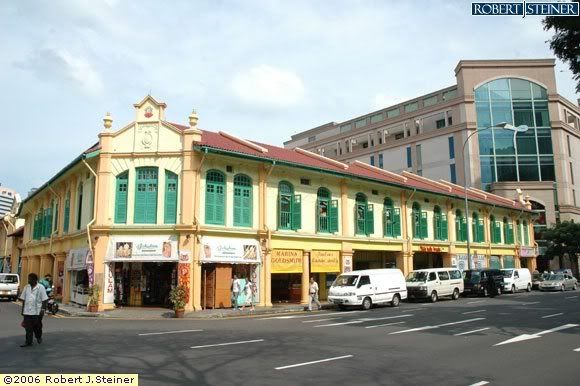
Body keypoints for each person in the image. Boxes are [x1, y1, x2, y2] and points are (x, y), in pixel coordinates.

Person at [19, 273, 48, 347]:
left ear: (35, 280)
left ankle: (38, 336)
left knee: (37, 327)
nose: (29, 280)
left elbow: (44, 299)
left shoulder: (41, 287)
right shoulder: (26, 287)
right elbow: (24, 299)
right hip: (27, 311)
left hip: (37, 312)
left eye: (30, 279)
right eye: (28, 279)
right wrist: (22, 310)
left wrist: (43, 309)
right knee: (28, 328)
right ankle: (28, 342)